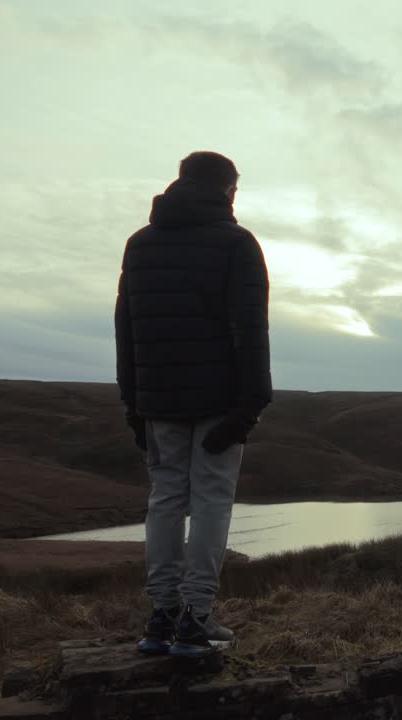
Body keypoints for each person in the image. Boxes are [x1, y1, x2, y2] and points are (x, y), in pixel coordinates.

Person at [114, 151, 272, 658]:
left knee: (165, 500)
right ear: (227, 189)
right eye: (235, 189)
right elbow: (251, 330)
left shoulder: (140, 244)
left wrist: (133, 404)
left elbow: (125, 331)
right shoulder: (236, 243)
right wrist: (251, 404)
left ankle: (162, 615)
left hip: (158, 400)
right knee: (210, 501)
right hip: (219, 401)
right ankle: (196, 618)